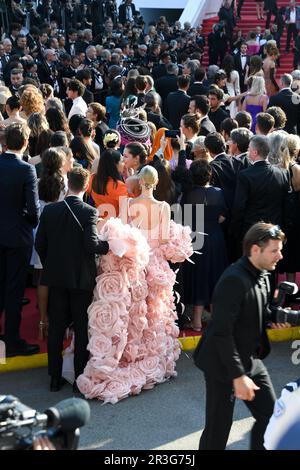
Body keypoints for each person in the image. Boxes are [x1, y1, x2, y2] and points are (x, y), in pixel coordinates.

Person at [76, 165, 193, 403]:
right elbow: (160, 239)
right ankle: (149, 357)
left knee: (134, 313)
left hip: (135, 263)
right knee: (153, 313)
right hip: (156, 262)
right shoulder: (162, 207)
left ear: (139, 182)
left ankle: (130, 355)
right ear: (157, 182)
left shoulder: (129, 205)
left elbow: (124, 237)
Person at [193, 222, 286, 450]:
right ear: (256, 250)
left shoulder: (262, 273)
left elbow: (259, 309)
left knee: (272, 417)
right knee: (218, 429)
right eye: (274, 250)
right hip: (222, 364)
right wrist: (237, 376)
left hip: (249, 359)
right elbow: (222, 333)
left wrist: (280, 316)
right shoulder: (234, 280)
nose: (280, 256)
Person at [35, 167, 109, 392]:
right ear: (86, 187)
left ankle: (54, 378)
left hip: (56, 278)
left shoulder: (50, 211)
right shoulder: (89, 212)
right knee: (81, 326)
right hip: (81, 280)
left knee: (56, 328)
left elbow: (40, 244)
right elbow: (92, 245)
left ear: (68, 183)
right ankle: (79, 379)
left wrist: (52, 263)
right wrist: (108, 246)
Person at [0, 123, 40, 357]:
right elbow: (33, 211)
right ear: (25, 143)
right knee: (14, 290)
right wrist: (27, 222)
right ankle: (12, 341)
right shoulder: (26, 170)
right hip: (17, 238)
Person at [182, 160, 228, 331]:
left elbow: (184, 219)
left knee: (199, 278)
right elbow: (223, 217)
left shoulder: (189, 194)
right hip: (216, 239)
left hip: (196, 239)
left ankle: (196, 322)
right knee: (215, 277)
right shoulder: (219, 192)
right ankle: (216, 319)